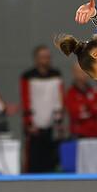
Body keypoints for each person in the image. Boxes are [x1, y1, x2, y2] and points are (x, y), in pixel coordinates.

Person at [20, 45, 64, 173]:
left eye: (48, 57)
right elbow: (25, 100)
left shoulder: (56, 75)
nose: (46, 59)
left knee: (52, 161)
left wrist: (59, 121)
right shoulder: (28, 76)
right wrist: (28, 122)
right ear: (36, 59)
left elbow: (59, 98)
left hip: (52, 125)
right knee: (34, 161)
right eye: (43, 57)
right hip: (35, 127)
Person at [65, 63, 97, 138]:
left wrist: (88, 108)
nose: (84, 74)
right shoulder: (71, 94)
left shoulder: (93, 91)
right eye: (80, 72)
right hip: (79, 134)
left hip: (95, 133)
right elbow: (75, 114)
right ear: (75, 73)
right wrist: (92, 108)